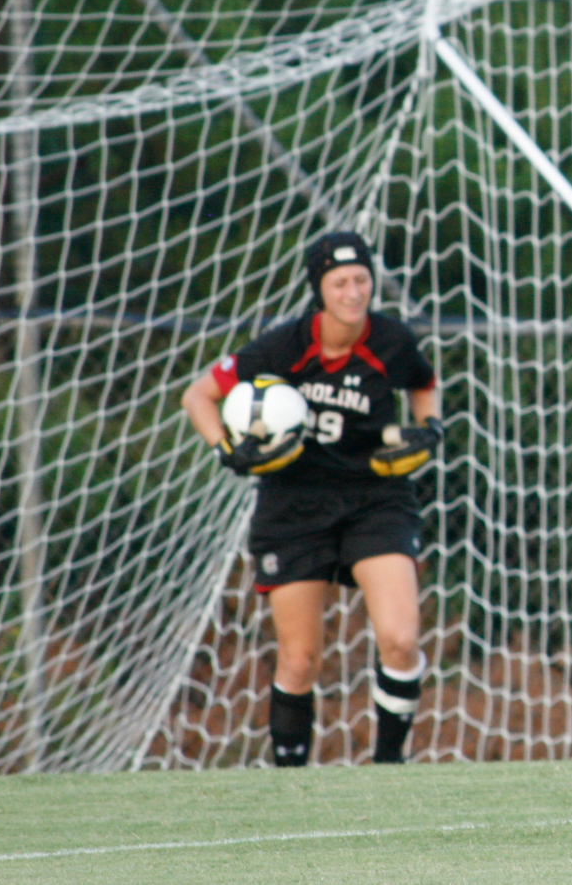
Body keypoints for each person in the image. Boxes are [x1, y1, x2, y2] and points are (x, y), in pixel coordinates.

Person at [182, 231, 444, 766]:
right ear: (318, 289)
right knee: (300, 659)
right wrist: (226, 449)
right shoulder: (281, 347)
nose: (353, 292)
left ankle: (391, 769)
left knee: (400, 639)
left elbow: (424, 381)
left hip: (376, 498)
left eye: (362, 280)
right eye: (340, 282)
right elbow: (199, 396)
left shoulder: (391, 339)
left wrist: (429, 424)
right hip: (294, 507)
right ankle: (290, 783)